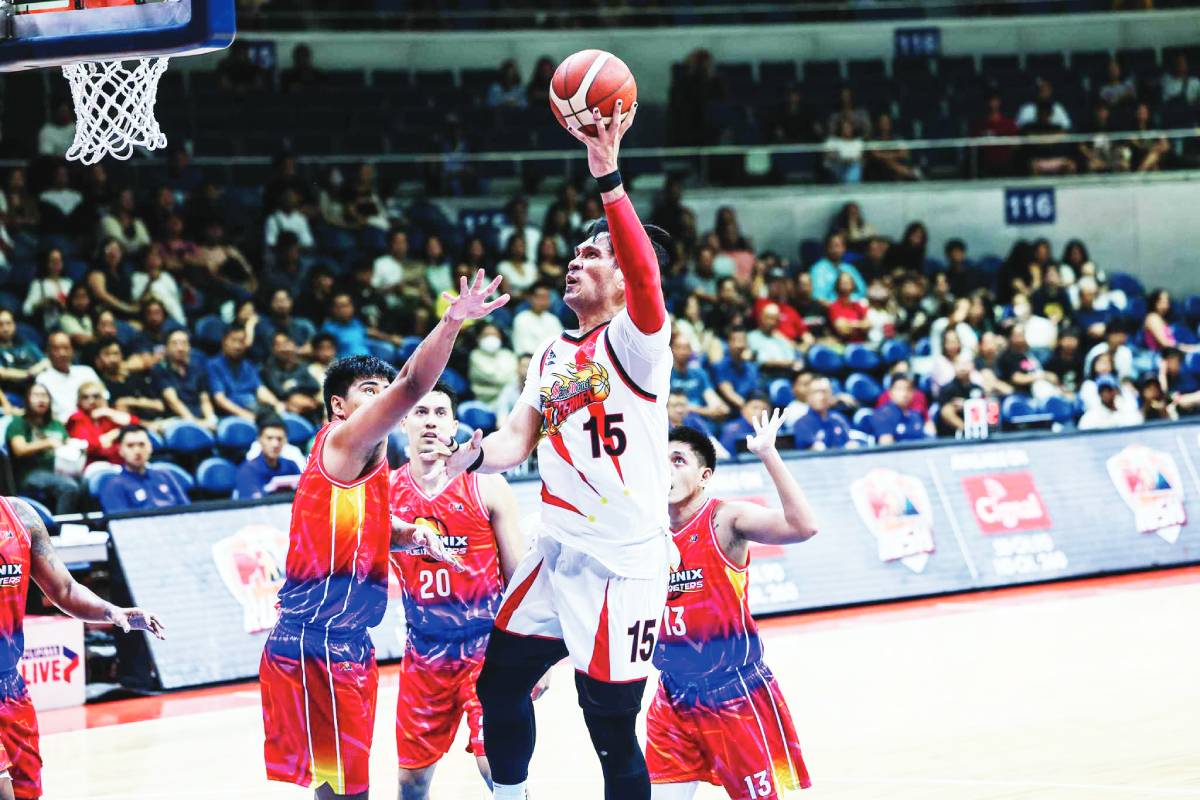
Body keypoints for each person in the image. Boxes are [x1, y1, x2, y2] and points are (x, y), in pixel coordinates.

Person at [440, 100, 675, 800]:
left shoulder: (638, 340)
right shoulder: (550, 352)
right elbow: (518, 437)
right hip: (559, 549)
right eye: (575, 250)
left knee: (608, 726)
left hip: (622, 563)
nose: (577, 258)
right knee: (499, 682)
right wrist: (474, 456)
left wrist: (608, 176)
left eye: (594, 252)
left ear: (625, 277)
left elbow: (646, 274)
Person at [259, 270, 507, 800]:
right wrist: (451, 322)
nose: (383, 401)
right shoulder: (344, 443)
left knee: (341, 781)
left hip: (349, 642)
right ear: (338, 407)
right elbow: (414, 384)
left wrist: (417, 537)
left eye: (382, 390)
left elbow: (376, 528)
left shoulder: (370, 471)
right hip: (314, 644)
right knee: (346, 788)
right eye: (369, 392)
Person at [649, 417, 815, 799]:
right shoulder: (645, 530)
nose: (666, 470)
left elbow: (804, 526)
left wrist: (768, 454)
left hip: (731, 692)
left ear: (704, 476)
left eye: (677, 461)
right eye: (660, 462)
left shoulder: (725, 519)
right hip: (672, 695)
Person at [388, 386, 534, 799]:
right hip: (423, 656)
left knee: (498, 770)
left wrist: (530, 662)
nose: (430, 420)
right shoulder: (385, 495)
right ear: (403, 422)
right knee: (410, 783)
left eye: (440, 412)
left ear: (454, 424)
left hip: (485, 652)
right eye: (420, 412)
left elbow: (520, 581)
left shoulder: (486, 486)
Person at [0, 494, 163, 800]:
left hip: (11, 689)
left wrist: (112, 611)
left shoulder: (21, 515)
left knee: (26, 793)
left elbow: (65, 588)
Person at [5, 383, 80, 514]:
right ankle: (63, 530)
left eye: (45, 396)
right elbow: (19, 449)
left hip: (61, 470)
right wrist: (47, 442)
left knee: (86, 484)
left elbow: (66, 442)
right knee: (69, 487)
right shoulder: (19, 422)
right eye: (36, 395)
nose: (41, 399)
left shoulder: (55, 424)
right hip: (31, 473)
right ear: (27, 399)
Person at [98, 425, 190, 512]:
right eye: (130, 446)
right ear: (121, 450)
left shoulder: (165, 475)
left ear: (150, 447)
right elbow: (120, 525)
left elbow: (187, 511)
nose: (137, 451)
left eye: (142, 445)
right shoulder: (114, 485)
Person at [208, 327, 285, 421]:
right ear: (224, 342)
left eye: (241, 341)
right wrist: (245, 415)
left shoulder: (248, 365)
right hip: (231, 414)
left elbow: (260, 389)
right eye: (233, 340)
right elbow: (220, 399)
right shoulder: (213, 365)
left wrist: (276, 404)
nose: (237, 346)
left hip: (254, 408)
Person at [35, 332, 103, 423]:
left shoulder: (87, 371)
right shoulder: (43, 379)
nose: (62, 353)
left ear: (73, 351)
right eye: (56, 349)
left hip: (96, 422)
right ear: (48, 352)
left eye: (66, 348)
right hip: (65, 427)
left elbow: (104, 399)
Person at [156, 330, 218, 429]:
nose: (180, 348)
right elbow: (173, 402)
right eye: (175, 344)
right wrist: (195, 423)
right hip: (176, 418)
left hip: (200, 417)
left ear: (189, 347)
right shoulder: (160, 369)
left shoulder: (197, 367)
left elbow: (204, 399)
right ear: (166, 348)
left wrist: (210, 419)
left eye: (184, 343)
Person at [66, 381, 137, 466]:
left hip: (121, 461)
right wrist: (115, 434)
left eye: (96, 396)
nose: (91, 401)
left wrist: (108, 412)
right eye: (85, 397)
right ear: (79, 400)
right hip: (95, 464)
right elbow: (90, 447)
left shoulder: (106, 415)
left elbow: (135, 424)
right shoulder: (77, 418)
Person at [234, 416, 303, 500]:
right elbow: (250, 505)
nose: (275, 444)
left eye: (279, 439)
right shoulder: (247, 471)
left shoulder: (291, 465)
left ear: (285, 441)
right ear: (259, 440)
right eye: (269, 438)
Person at [670, 333, 727, 421]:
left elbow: (716, 404)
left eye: (686, 348)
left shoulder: (699, 373)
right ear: (672, 350)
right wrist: (704, 411)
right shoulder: (666, 374)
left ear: (691, 351)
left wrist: (718, 407)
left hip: (698, 422)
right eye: (679, 347)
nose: (683, 351)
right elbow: (669, 408)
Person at [936, 355, 989, 437]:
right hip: (952, 434)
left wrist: (966, 405)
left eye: (965, 364)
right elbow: (945, 413)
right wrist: (966, 429)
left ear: (972, 366)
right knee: (947, 410)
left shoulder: (978, 389)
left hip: (979, 430)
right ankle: (967, 431)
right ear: (953, 366)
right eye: (959, 364)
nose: (962, 368)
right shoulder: (946, 389)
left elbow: (984, 408)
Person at [791, 377, 851, 450]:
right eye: (816, 392)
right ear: (808, 396)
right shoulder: (802, 424)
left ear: (831, 394)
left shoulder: (838, 419)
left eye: (825, 391)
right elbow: (816, 450)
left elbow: (849, 443)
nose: (821, 397)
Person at [808, 232, 865, 304]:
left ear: (844, 248)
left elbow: (863, 291)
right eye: (831, 246)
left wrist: (849, 303)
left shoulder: (849, 268)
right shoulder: (818, 269)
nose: (835, 250)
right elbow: (817, 297)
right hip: (829, 309)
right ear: (826, 248)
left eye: (838, 246)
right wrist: (836, 308)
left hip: (853, 307)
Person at [712, 329, 760, 413]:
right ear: (729, 343)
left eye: (743, 341)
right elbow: (729, 394)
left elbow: (756, 392)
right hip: (731, 413)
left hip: (751, 410)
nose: (740, 345)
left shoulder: (752, 367)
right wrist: (749, 409)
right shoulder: (721, 366)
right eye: (736, 341)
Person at [871, 375, 927, 444]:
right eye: (899, 389)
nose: (905, 394)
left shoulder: (916, 416)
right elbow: (886, 447)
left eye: (908, 389)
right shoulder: (883, 415)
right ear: (890, 392)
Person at [1078, 374, 1142, 430]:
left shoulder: (1127, 408)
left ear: (1116, 391)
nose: (1105, 394)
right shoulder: (1092, 415)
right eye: (1102, 391)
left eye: (1109, 390)